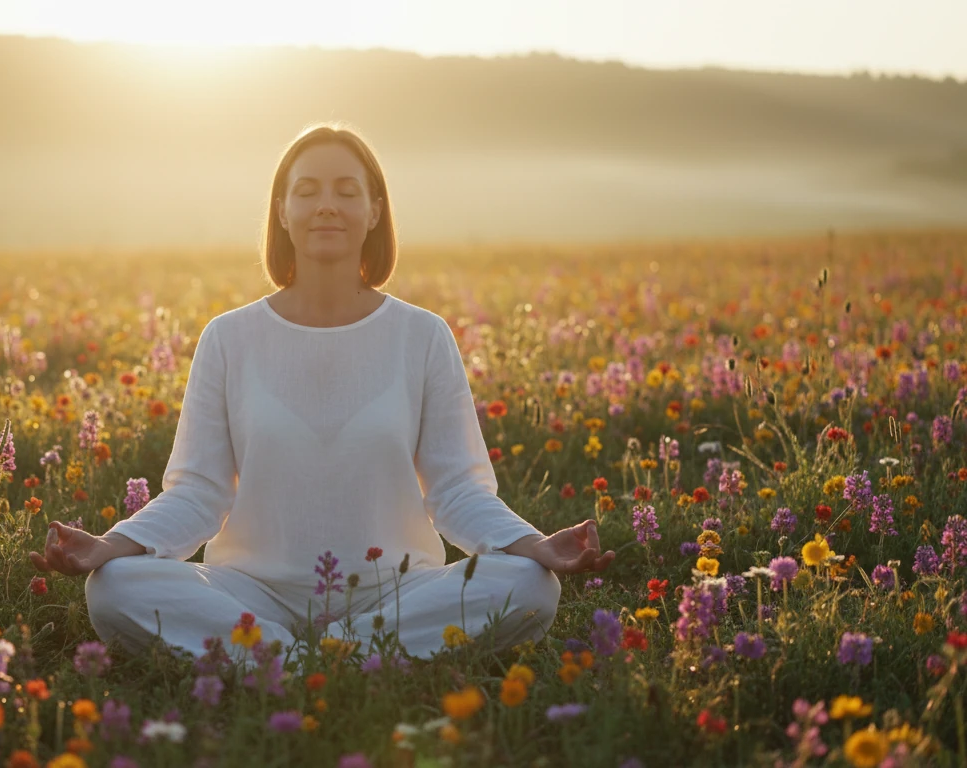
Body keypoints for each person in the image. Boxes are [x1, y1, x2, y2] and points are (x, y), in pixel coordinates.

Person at [30, 121, 615, 663]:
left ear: (374, 210)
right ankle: (346, 660)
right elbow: (199, 494)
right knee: (113, 587)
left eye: (346, 190)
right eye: (306, 191)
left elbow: (457, 489)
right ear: (282, 211)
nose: (326, 205)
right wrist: (115, 545)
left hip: (399, 591)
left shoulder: (423, 335)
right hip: (248, 591)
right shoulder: (230, 337)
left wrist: (531, 544)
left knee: (530, 584)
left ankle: (303, 657)